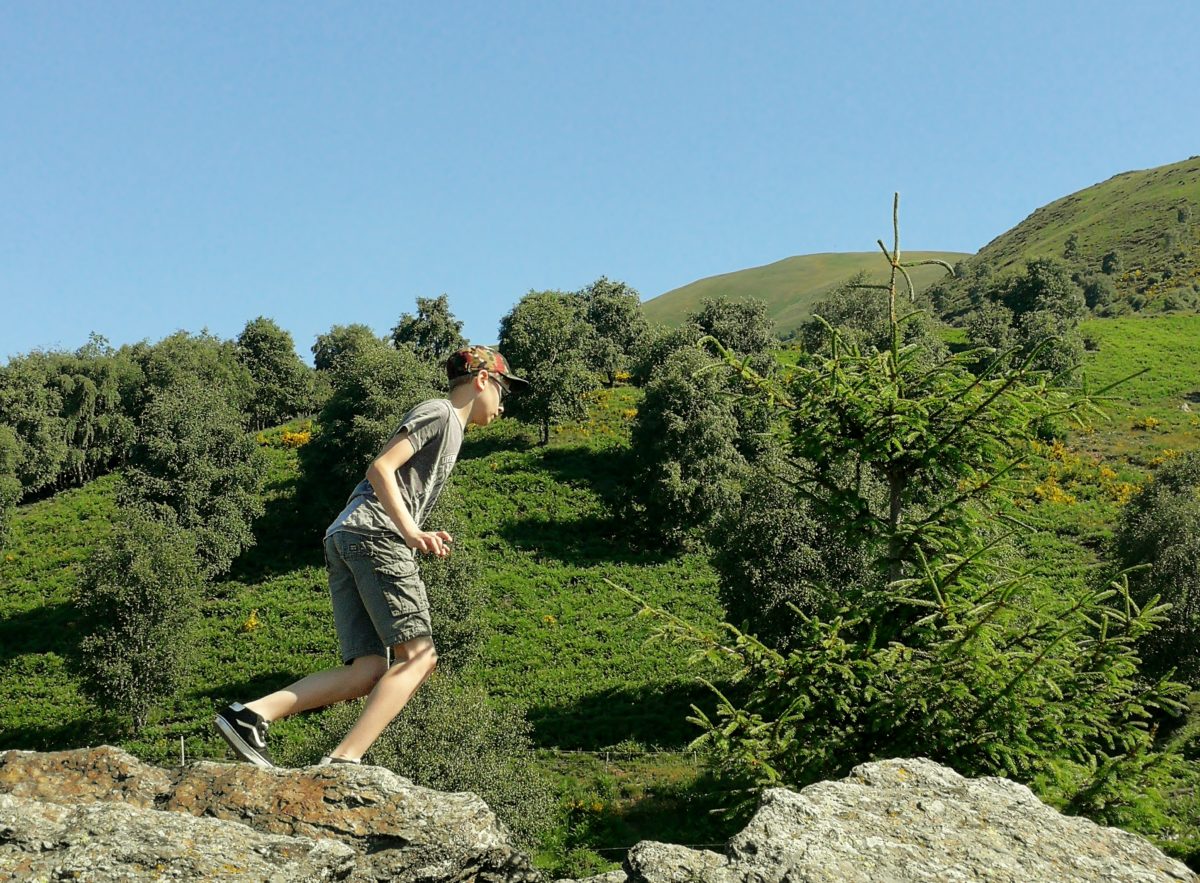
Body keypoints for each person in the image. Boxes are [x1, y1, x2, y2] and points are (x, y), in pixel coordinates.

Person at [214, 345, 528, 767]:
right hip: (376, 534)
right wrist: (412, 531)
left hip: (347, 535)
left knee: (366, 671)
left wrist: (414, 530)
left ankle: (250, 715)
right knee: (420, 657)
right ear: (483, 380)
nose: (504, 406)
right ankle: (345, 761)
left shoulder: (450, 427)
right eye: (504, 392)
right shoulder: (440, 413)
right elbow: (380, 468)